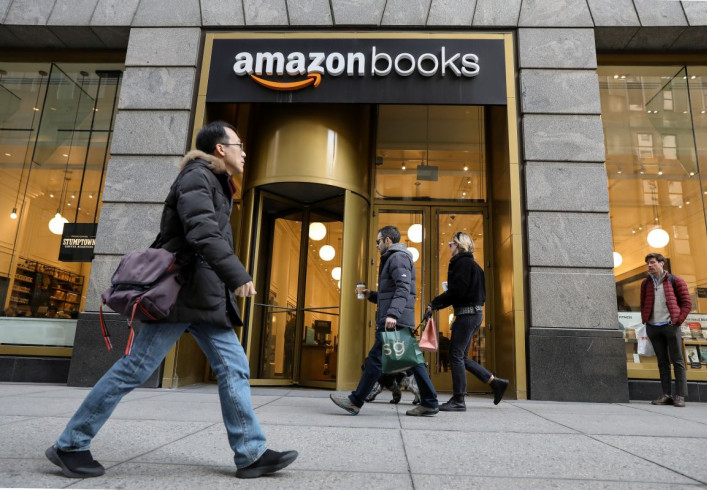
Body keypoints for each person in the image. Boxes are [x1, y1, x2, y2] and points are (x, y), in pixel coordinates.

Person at [45, 121, 298, 479]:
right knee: (133, 369)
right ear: (220, 149)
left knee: (234, 367)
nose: (244, 151)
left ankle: (251, 453)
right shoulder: (197, 177)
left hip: (200, 297)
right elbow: (202, 233)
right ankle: (71, 443)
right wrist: (238, 275)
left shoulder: (216, 183)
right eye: (239, 144)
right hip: (180, 296)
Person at [330, 225, 439, 416]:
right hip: (397, 319)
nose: (377, 245)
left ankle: (355, 401)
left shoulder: (397, 257)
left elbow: (403, 287)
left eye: (378, 241)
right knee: (414, 361)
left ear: (388, 240)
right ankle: (429, 401)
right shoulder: (393, 258)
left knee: (374, 360)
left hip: (395, 320)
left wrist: (393, 314)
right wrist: (371, 294)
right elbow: (391, 292)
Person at [426, 231, 508, 412]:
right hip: (474, 314)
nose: (449, 246)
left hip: (467, 315)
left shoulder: (461, 263)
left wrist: (434, 303)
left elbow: (457, 292)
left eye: (452, 243)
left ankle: (459, 399)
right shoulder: (475, 266)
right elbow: (481, 295)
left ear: (460, 245)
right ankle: (495, 383)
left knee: (455, 355)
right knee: (460, 356)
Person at [640, 252, 691, 407]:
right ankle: (666, 395)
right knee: (662, 362)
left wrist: (676, 321)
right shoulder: (646, 283)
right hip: (653, 327)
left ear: (662, 263)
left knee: (677, 361)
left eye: (653, 262)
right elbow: (643, 303)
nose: (650, 265)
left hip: (670, 326)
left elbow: (687, 304)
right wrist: (646, 321)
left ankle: (680, 395)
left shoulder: (676, 281)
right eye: (648, 263)